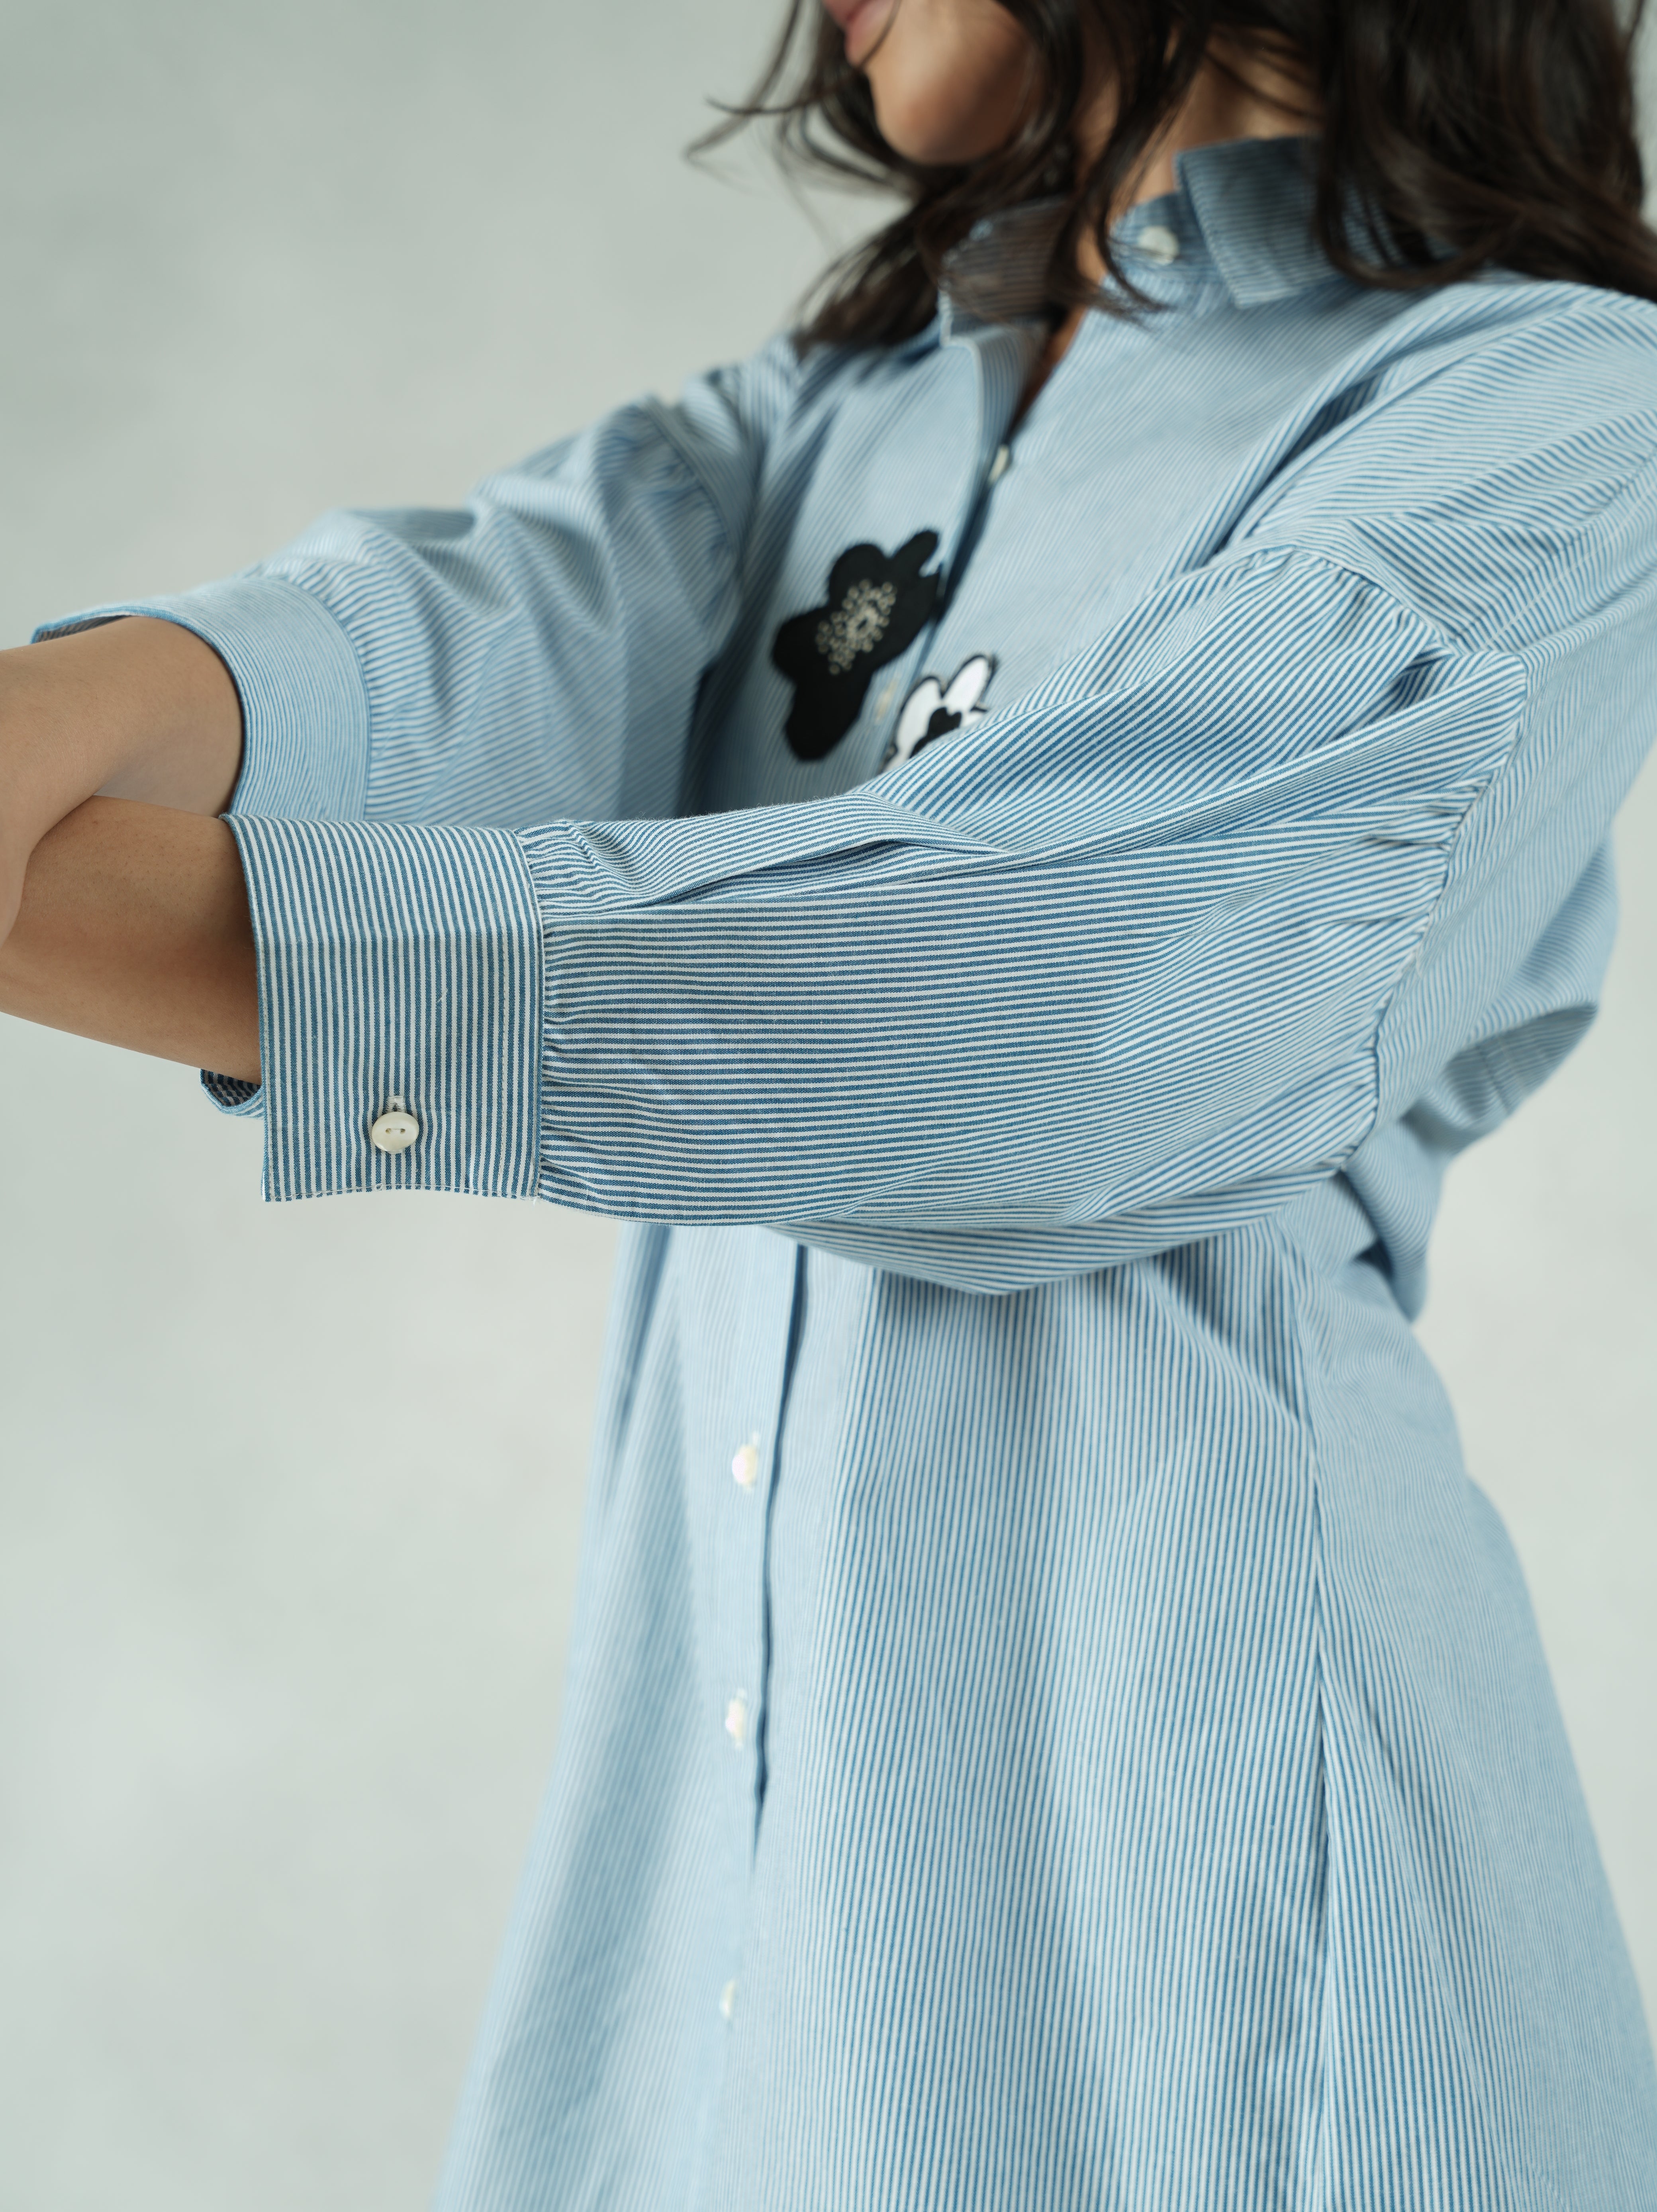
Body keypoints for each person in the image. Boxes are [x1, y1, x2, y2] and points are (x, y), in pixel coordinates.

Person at [3, 0, 1657, 2201]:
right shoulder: (828, 430)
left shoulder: (1547, 414)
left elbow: (1038, 997)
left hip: (1232, 1972)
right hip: (722, 1969)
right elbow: (454, 637)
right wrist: (56, 714)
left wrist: (74, 916)